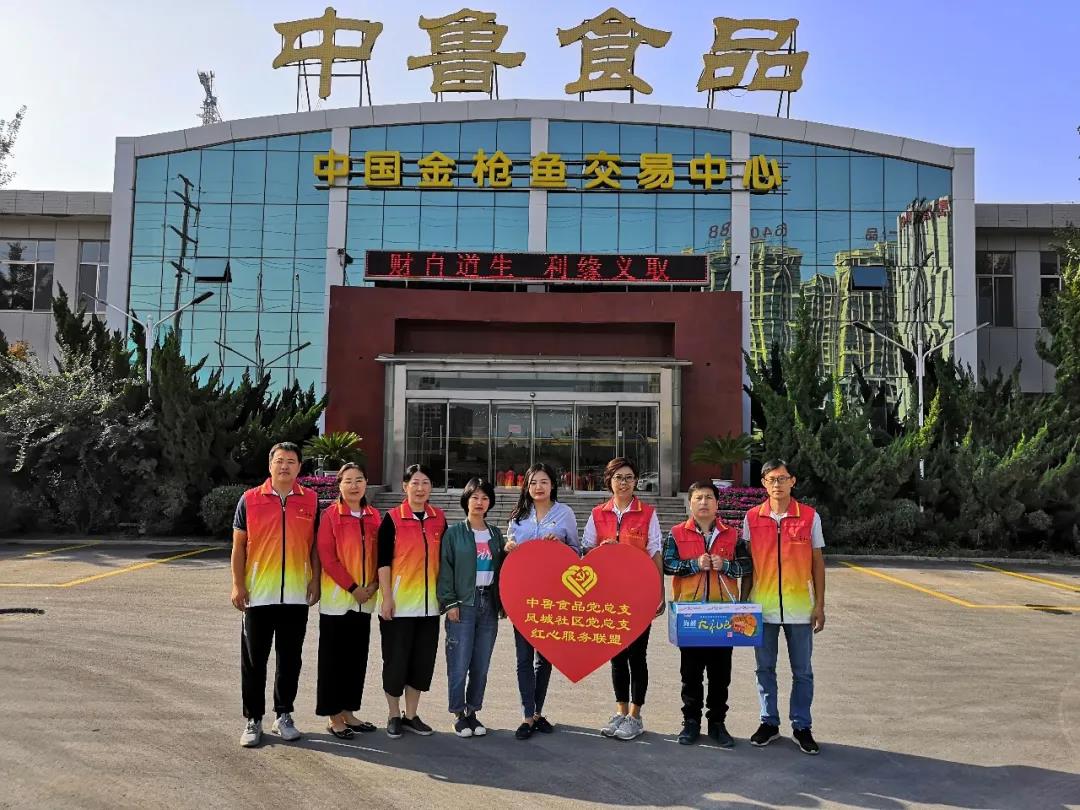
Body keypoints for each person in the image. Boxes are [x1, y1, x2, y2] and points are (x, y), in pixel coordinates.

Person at [231, 442, 321, 748]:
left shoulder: (310, 500)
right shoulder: (249, 499)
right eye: (280, 460)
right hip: (258, 595)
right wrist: (237, 584)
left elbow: (314, 546)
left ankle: (284, 715)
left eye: (291, 461)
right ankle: (253, 718)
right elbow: (238, 547)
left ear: (299, 467)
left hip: (296, 595)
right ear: (270, 465)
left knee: (290, 659)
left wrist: (315, 579)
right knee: (254, 661)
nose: (285, 466)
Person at [742, 459, 826, 755]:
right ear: (763, 484)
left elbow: (817, 563)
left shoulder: (809, 517)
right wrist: (743, 604)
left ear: (793, 481)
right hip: (762, 608)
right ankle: (769, 722)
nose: (777, 484)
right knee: (764, 668)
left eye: (782, 478)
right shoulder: (752, 517)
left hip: (800, 608)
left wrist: (820, 605)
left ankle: (802, 726)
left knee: (802, 671)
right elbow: (748, 566)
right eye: (771, 479)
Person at [663, 479, 752, 749]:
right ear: (690, 503)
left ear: (717, 503)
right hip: (690, 616)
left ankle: (717, 723)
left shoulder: (732, 535)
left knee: (720, 675)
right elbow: (668, 564)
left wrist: (725, 565)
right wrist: (693, 564)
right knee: (690, 674)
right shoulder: (677, 533)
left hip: (724, 617)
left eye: (709, 498)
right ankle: (690, 722)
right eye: (698, 498)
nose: (703, 502)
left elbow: (746, 567)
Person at [581, 457, 664, 741]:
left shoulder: (647, 513)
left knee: (637, 656)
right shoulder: (598, 513)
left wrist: (659, 592)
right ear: (609, 481)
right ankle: (620, 710)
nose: (624, 482)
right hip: (609, 597)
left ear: (636, 481)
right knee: (616, 655)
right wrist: (603, 551)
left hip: (638, 595)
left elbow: (655, 553)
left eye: (629, 477)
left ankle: (635, 716)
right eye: (618, 477)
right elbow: (587, 551)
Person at [505, 462, 580, 740]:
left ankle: (537, 712)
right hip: (522, 596)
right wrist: (508, 548)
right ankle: (527, 715)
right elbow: (509, 549)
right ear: (526, 486)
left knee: (544, 657)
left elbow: (577, 552)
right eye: (533, 482)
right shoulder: (518, 517)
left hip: (552, 597)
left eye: (544, 482)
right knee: (524, 657)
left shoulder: (565, 514)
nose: (538, 487)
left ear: (553, 485)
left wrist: (560, 547)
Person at [377, 464, 447, 738]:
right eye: (414, 483)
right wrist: (387, 597)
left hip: (429, 608)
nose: (420, 488)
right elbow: (383, 562)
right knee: (395, 662)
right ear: (405, 486)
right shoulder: (392, 519)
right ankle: (394, 714)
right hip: (400, 605)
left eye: (425, 483)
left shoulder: (439, 518)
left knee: (421, 663)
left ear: (431, 487)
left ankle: (411, 714)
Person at [437, 477, 506, 738]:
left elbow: (504, 569)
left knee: (481, 664)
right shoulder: (454, 533)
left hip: (488, 604)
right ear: (466, 500)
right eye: (475, 497)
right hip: (463, 604)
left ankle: (473, 711)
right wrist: (450, 603)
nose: (479, 502)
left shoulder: (495, 534)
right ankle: (458, 713)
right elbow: (445, 570)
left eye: (485, 498)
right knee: (459, 662)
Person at [315, 462, 380, 739]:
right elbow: (327, 557)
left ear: (366, 483)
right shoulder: (330, 515)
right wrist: (353, 587)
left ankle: (349, 712)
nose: (354, 486)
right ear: (339, 485)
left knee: (356, 659)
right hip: (338, 601)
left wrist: (374, 584)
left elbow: (381, 555)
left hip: (365, 601)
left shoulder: (374, 516)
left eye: (359, 480)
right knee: (333, 661)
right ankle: (334, 717)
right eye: (348, 481)